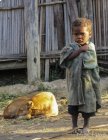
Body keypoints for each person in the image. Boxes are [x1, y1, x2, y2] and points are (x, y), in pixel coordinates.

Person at [60, 18, 101, 134]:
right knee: (73, 106)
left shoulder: (91, 47)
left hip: (87, 82)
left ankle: (86, 126)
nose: (79, 37)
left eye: (82, 34)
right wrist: (79, 51)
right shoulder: (70, 47)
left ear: (90, 34)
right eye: (76, 34)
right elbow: (64, 58)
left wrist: (83, 51)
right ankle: (74, 126)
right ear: (73, 34)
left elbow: (91, 63)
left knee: (87, 105)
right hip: (74, 82)